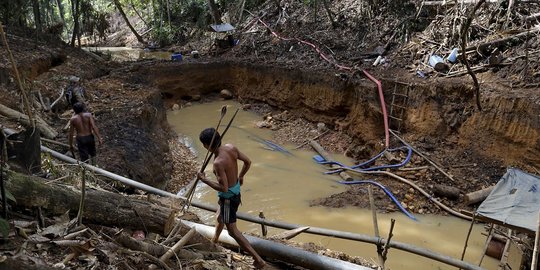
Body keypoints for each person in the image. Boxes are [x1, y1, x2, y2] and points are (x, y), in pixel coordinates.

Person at [197, 128, 266, 269]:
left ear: (206, 146)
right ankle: (214, 241)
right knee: (219, 216)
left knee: (232, 231)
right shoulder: (231, 147)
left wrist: (204, 180)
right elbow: (248, 162)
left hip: (228, 198)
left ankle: (258, 259)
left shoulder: (217, 163)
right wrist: (241, 176)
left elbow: (224, 188)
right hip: (235, 193)